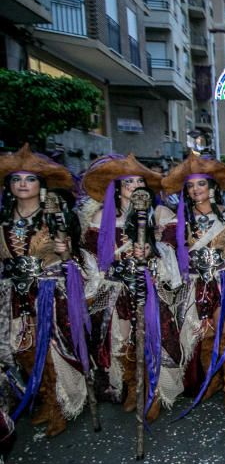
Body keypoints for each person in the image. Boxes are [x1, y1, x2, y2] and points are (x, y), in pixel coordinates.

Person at [80, 154, 183, 421]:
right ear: (117, 186)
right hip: (116, 289)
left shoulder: (159, 214)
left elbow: (172, 248)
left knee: (153, 338)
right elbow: (90, 256)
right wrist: (105, 274)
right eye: (128, 181)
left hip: (150, 286)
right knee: (121, 341)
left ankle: (156, 390)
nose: (134, 185)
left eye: (139, 180)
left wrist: (153, 249)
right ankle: (133, 387)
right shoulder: (102, 217)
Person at [0, 146, 88, 437]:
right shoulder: (3, 219)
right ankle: (47, 401)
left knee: (50, 351)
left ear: (41, 186)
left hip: (49, 292)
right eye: (16, 179)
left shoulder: (54, 217)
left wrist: (65, 252)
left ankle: (61, 405)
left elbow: (70, 259)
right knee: (22, 350)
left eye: (30, 179)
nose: (22, 184)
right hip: (14, 293)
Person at [163, 154, 225, 416]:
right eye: (190, 186)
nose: (196, 190)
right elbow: (169, 252)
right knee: (205, 336)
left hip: (224, 283)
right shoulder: (181, 222)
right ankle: (214, 380)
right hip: (196, 285)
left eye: (201, 184)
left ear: (211, 188)